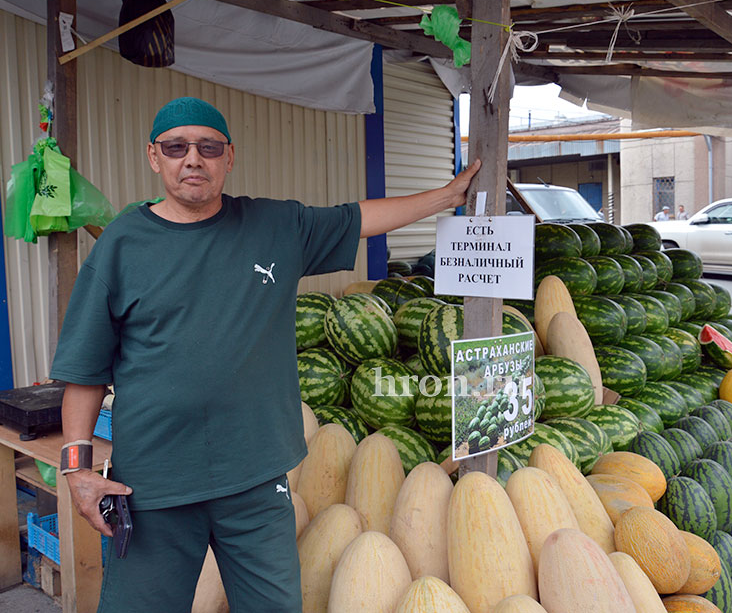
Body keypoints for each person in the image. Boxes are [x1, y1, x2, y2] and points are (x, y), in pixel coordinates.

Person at [49, 97, 482, 612]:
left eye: (208, 147)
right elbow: (84, 372)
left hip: (255, 483)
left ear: (228, 157)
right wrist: (77, 471)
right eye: (177, 147)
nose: (193, 159)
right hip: (152, 487)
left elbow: (359, 218)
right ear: (154, 157)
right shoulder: (121, 245)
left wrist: (446, 197)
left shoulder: (275, 227)